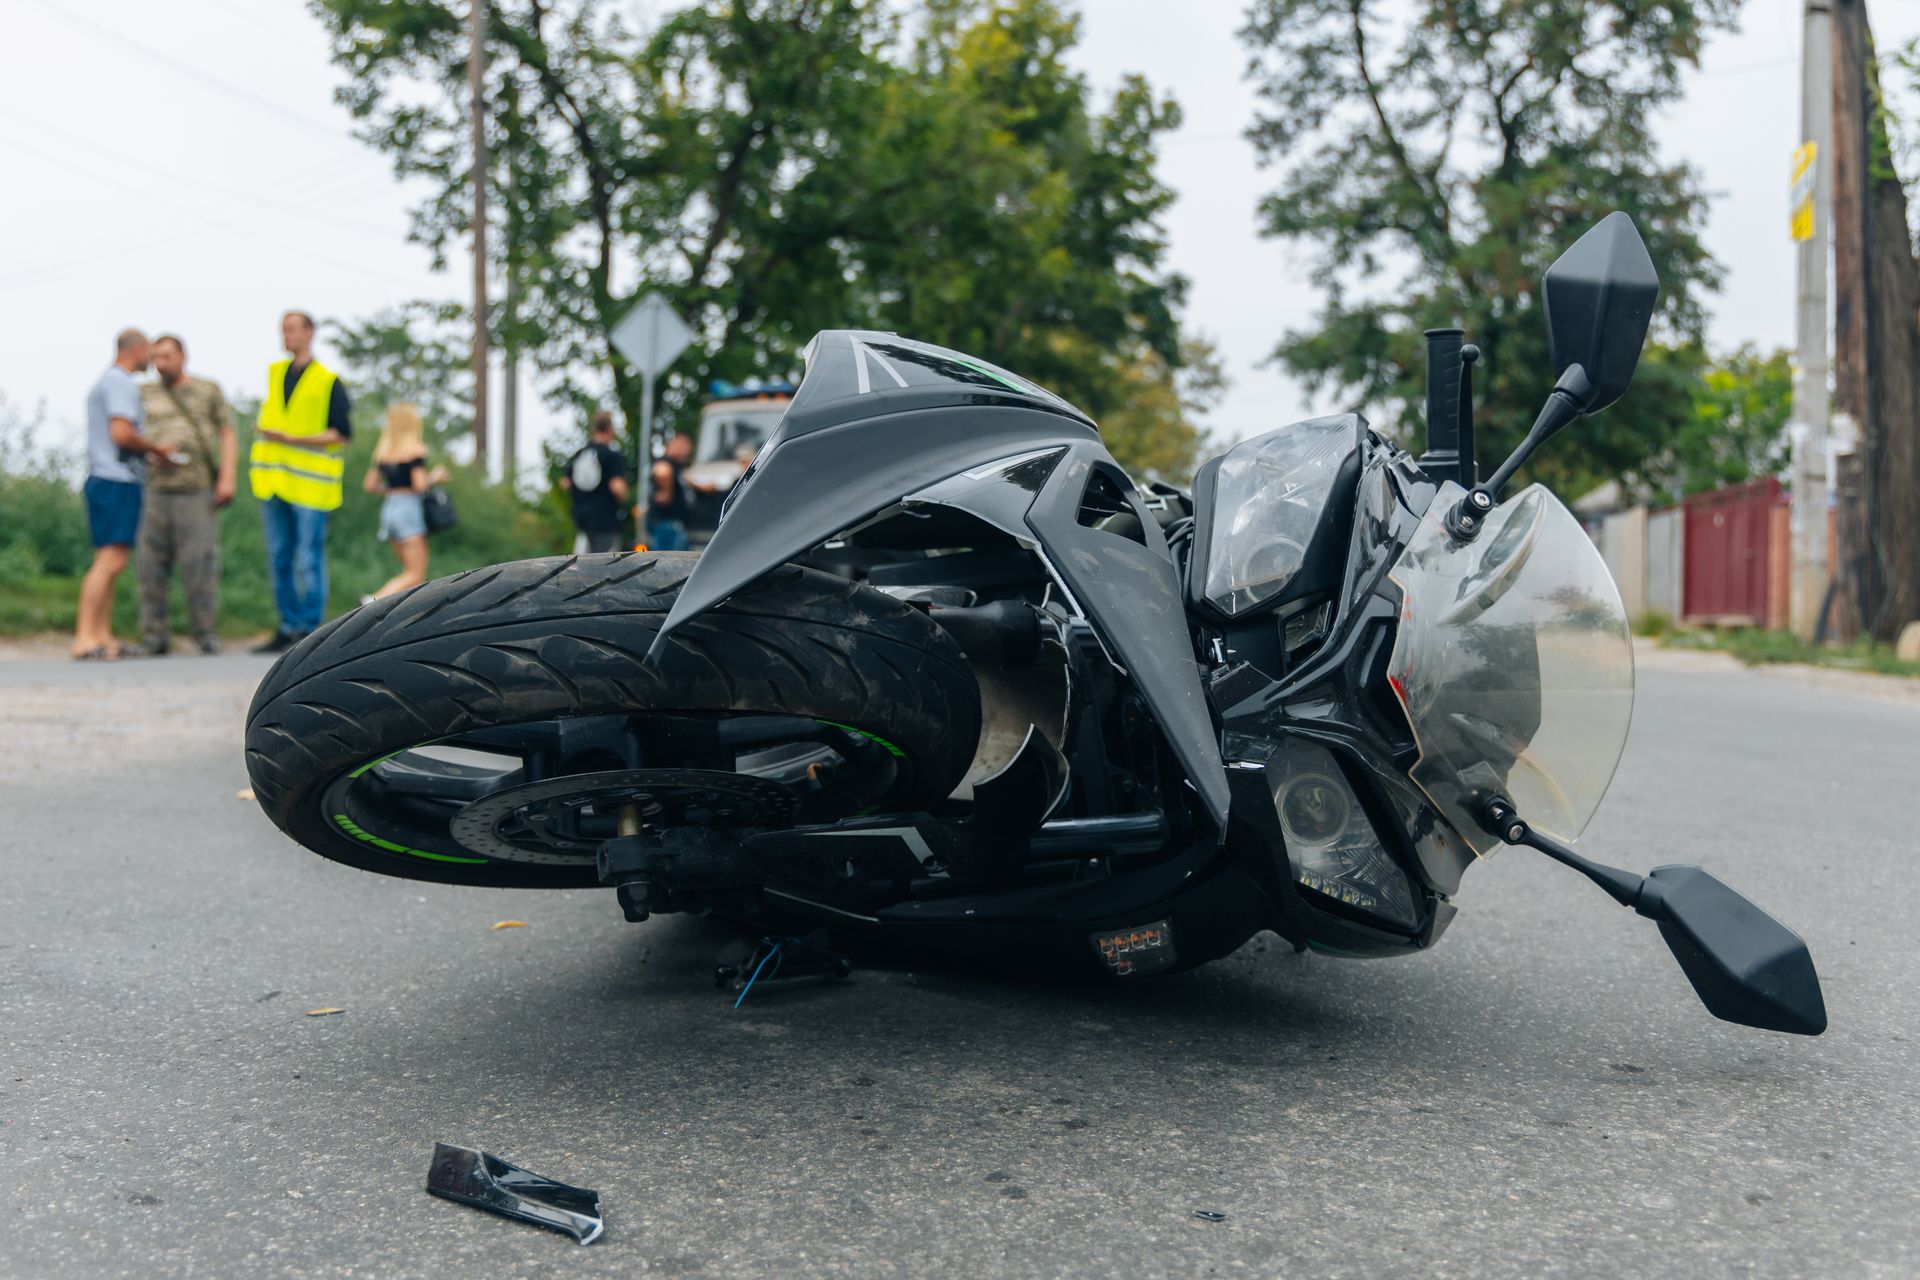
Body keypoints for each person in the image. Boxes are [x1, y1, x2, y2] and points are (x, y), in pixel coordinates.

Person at [250, 310, 350, 653]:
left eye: (291, 329)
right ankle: (288, 626)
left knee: (308, 558)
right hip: (273, 481)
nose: (285, 335)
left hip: (310, 487)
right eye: (283, 330)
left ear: (310, 332)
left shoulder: (327, 380)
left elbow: (341, 434)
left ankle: (311, 630)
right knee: (279, 557)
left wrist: (291, 439)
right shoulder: (275, 373)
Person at [74, 328, 175, 660]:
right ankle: (85, 638)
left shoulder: (105, 382)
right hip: (115, 480)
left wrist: (148, 455)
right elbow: (121, 433)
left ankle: (102, 636)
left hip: (109, 478)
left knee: (112, 561)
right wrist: (155, 448)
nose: (151, 359)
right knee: (109, 560)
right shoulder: (120, 383)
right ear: (136, 349)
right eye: (149, 351)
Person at [136, 335, 237, 655]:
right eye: (156, 358)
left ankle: (205, 632)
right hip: (155, 489)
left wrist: (227, 478)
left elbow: (227, 432)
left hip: (196, 489)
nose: (160, 363)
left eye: (167, 356)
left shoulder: (208, 390)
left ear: (183, 356)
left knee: (200, 565)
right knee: (150, 566)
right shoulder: (144, 392)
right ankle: (154, 635)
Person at [361, 403, 447, 600]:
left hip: (390, 509)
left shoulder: (383, 452)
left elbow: (370, 485)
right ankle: (372, 601)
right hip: (408, 510)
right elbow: (420, 485)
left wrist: (393, 489)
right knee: (415, 573)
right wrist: (435, 477)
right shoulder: (415, 450)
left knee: (411, 576)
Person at [558, 410, 630, 553]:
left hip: (582, 522)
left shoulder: (579, 454)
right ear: (609, 429)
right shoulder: (611, 456)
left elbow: (564, 483)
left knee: (582, 565)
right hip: (605, 523)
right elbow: (617, 487)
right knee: (606, 567)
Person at [640, 431, 693, 551]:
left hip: (672, 524)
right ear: (671, 445)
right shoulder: (667, 462)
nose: (686, 450)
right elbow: (662, 471)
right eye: (682, 446)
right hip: (667, 524)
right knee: (669, 564)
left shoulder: (678, 467)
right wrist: (667, 490)